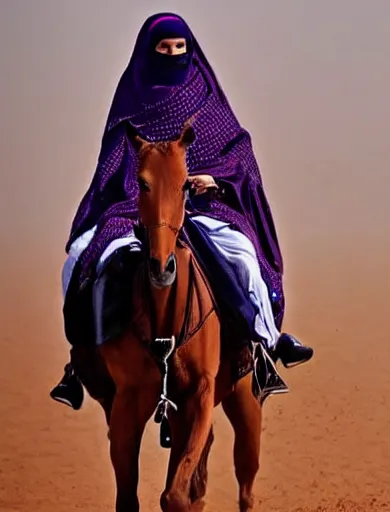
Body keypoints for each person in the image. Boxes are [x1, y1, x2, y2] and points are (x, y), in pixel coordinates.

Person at [50, 12, 313, 410]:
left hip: (203, 206)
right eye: (164, 48)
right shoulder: (132, 97)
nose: (173, 55)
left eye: (179, 48)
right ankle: (80, 361)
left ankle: (267, 345)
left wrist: (213, 180)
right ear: (148, 50)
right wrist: (140, 191)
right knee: (77, 260)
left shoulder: (203, 93)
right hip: (133, 206)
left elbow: (237, 152)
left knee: (242, 258)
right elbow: (113, 160)